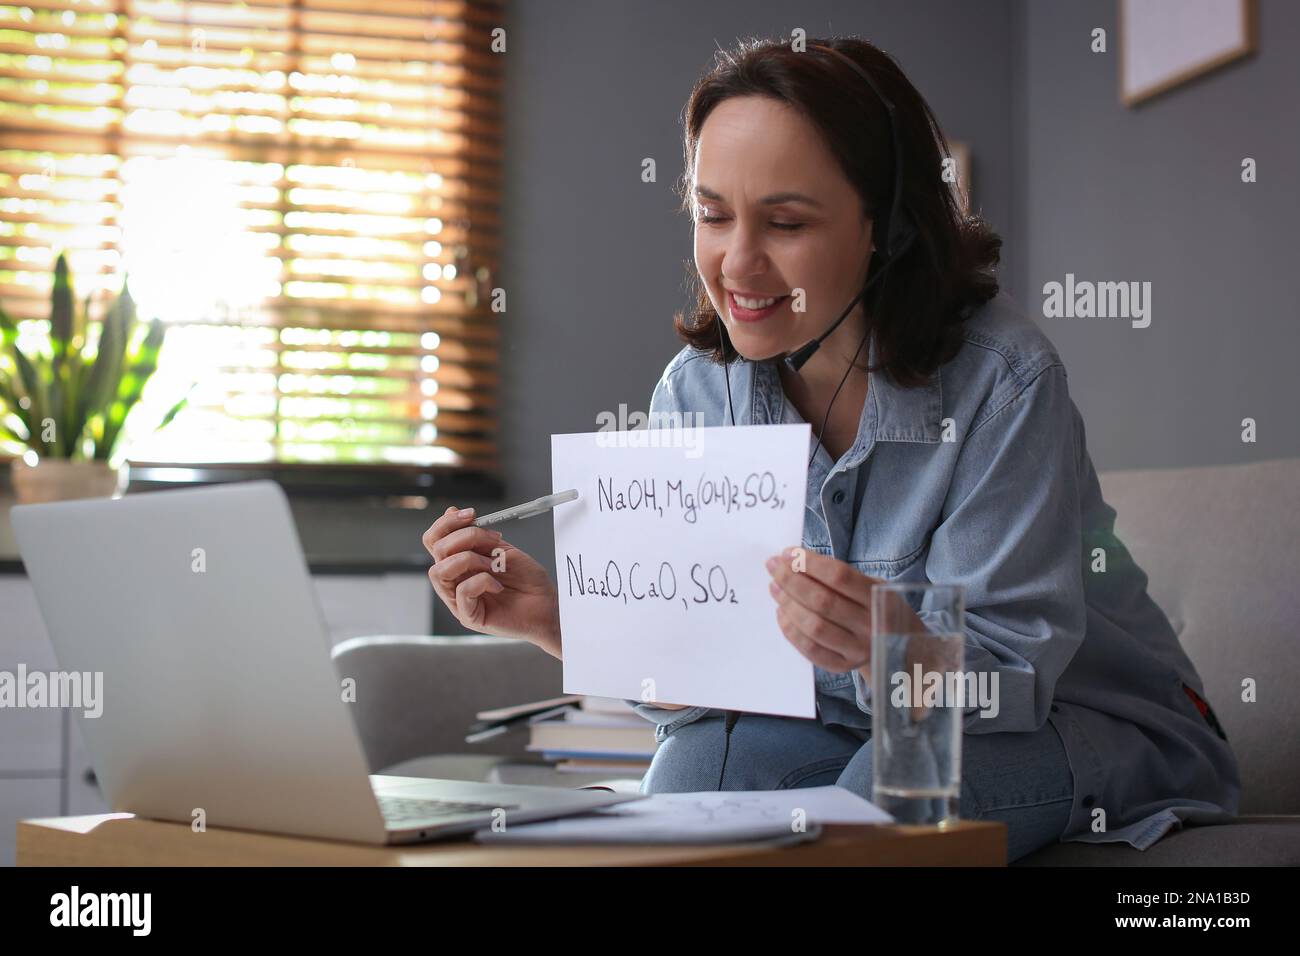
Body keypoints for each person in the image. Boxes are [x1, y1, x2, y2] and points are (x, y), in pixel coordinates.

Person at [422, 36, 1239, 863]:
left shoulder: (1006, 381)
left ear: (882, 226)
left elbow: (1011, 686)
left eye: (785, 222)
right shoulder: (698, 391)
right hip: (844, 727)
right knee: (691, 773)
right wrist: (565, 623)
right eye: (712, 214)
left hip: (1077, 725)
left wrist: (897, 646)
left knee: (870, 809)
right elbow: (704, 687)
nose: (737, 262)